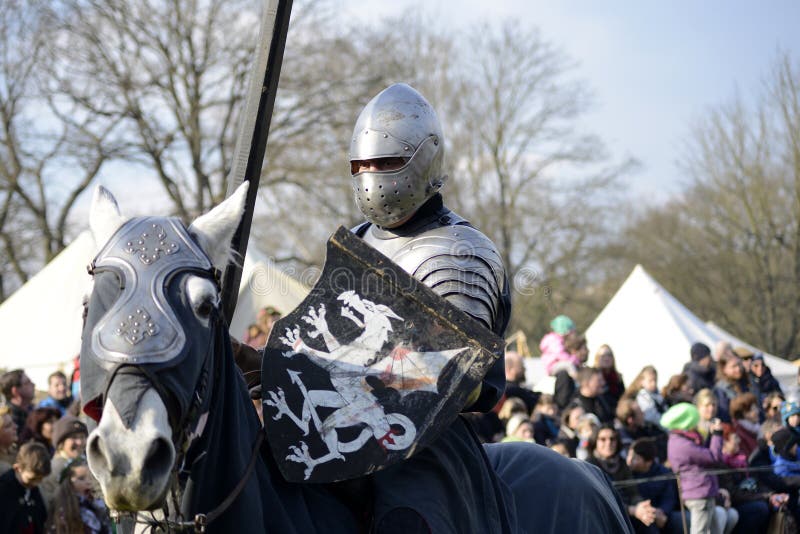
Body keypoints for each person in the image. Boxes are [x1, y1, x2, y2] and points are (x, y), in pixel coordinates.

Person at [347, 82, 513, 533]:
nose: (370, 175)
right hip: (342, 426)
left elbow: (461, 379)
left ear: (425, 159)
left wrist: (359, 377)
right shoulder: (355, 242)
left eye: (385, 163)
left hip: (424, 444)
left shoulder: (457, 253)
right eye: (360, 165)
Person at [661, 402, 737, 534]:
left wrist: (711, 435)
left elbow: (703, 455)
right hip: (699, 495)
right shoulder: (682, 445)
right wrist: (718, 434)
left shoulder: (680, 440)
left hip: (703, 491)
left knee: (715, 530)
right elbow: (713, 457)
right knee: (699, 531)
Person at [586, 425, 659, 532]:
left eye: (612, 439)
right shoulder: (589, 465)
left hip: (629, 512)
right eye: (603, 439)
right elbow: (599, 501)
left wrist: (641, 507)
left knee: (650, 524)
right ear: (594, 442)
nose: (608, 443)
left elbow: (633, 492)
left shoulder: (621, 463)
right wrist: (632, 510)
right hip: (603, 516)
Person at [627, 438, 684, 534]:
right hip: (637, 514)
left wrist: (661, 511)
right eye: (629, 455)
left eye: (635, 458)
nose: (629, 460)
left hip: (661, 514)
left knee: (680, 519)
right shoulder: (628, 473)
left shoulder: (663, 473)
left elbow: (669, 498)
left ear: (648, 462)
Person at [45, 456, 110, 534]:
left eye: (91, 478)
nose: (88, 482)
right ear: (68, 483)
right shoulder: (64, 511)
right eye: (81, 478)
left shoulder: (98, 504)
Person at [0, 441, 50, 534]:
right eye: (32, 479)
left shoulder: (34, 490)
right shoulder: (4, 490)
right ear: (17, 468)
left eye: (40, 479)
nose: (36, 483)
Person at [39, 416, 89, 507]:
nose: (79, 442)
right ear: (61, 442)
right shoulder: (53, 469)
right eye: (73, 437)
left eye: (82, 437)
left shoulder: (85, 462)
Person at [713, 351, 748, 423]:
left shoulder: (744, 383)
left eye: (739, 365)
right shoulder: (720, 389)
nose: (738, 369)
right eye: (734, 366)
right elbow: (725, 415)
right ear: (724, 369)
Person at [0, 370, 36, 438]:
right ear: (15, 391)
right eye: (27, 383)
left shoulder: (33, 411)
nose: (33, 384)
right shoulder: (7, 419)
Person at [594, 344, 625, 413]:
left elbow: (623, 397)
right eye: (603, 356)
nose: (606, 358)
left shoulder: (618, 377)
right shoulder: (594, 378)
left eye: (609, 355)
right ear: (597, 358)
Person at [727, 393, 759, 457]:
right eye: (753, 409)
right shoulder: (739, 434)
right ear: (744, 413)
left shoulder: (754, 429)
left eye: (756, 408)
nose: (757, 411)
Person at [0, 406, 18, 474]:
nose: (16, 426)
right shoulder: (2, 469)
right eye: (8, 425)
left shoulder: (17, 452)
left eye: (13, 423)